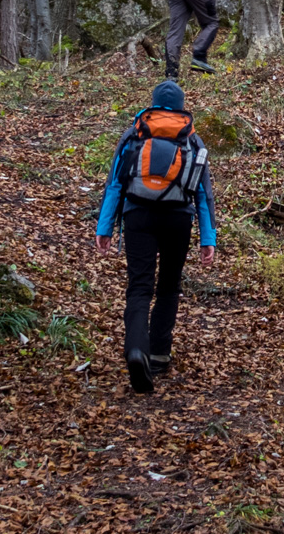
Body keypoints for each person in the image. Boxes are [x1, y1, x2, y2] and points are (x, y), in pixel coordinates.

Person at [93, 80, 218, 393]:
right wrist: (208, 238)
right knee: (169, 287)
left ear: (153, 103)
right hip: (178, 219)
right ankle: (159, 354)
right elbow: (203, 195)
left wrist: (104, 227)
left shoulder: (134, 134)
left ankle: (137, 349)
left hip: (138, 215)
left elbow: (115, 185)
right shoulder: (194, 141)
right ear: (180, 105)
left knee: (139, 287)